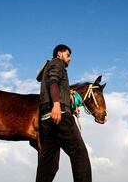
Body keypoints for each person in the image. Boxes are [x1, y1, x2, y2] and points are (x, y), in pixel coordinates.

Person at [36, 44, 92, 182]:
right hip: (59, 116)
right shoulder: (57, 63)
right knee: (79, 153)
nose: (70, 59)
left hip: (46, 119)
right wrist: (56, 105)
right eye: (68, 55)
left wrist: (68, 96)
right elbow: (53, 82)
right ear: (59, 54)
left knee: (48, 163)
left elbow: (54, 84)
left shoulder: (48, 67)